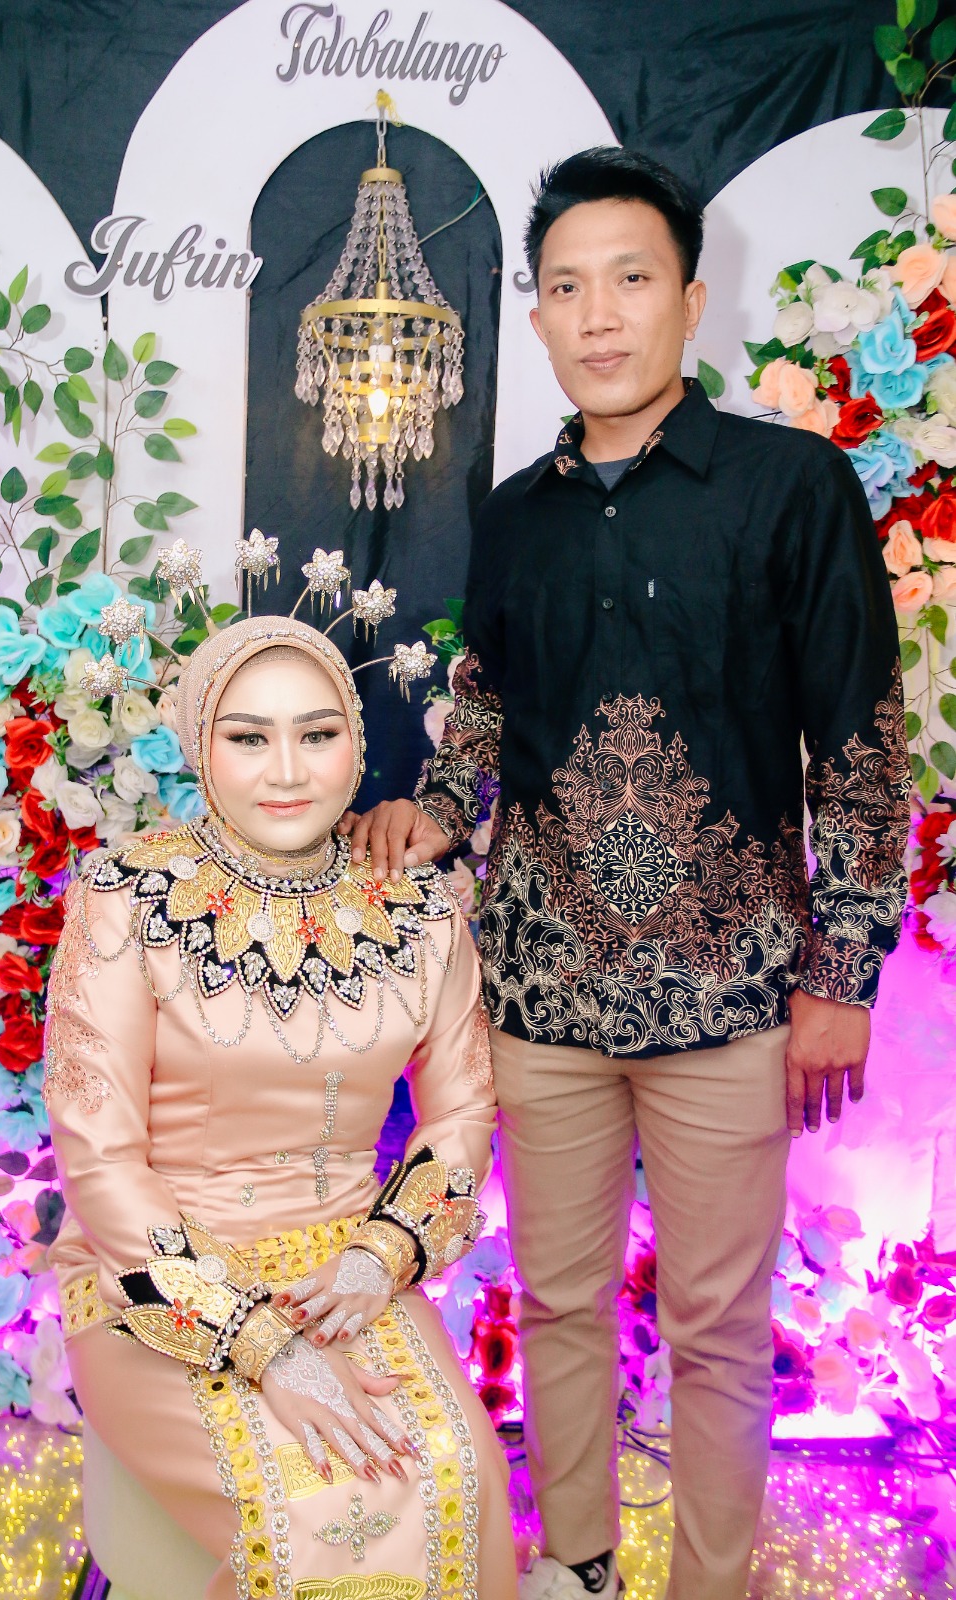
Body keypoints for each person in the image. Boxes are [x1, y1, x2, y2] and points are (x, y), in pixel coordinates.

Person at [341, 148, 911, 1600]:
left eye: (630, 279)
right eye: (565, 287)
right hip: (541, 995)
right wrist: (435, 808)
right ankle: (577, 1567)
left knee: (717, 1327)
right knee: (557, 1303)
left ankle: (707, 1584)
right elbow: (487, 702)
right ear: (535, 313)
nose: (598, 315)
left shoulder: (788, 487)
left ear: (689, 301)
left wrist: (842, 975)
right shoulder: (514, 514)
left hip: (731, 995)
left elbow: (855, 742)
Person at [45, 614, 517, 1600]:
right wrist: (263, 1343)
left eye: (318, 733)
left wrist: (380, 1255)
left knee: (454, 1477)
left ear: (357, 742)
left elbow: (462, 1114)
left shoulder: (423, 909)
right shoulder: (124, 898)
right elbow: (100, 1157)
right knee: (309, 1508)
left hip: (348, 1271)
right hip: (159, 1281)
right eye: (249, 737)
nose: (288, 770)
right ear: (201, 747)